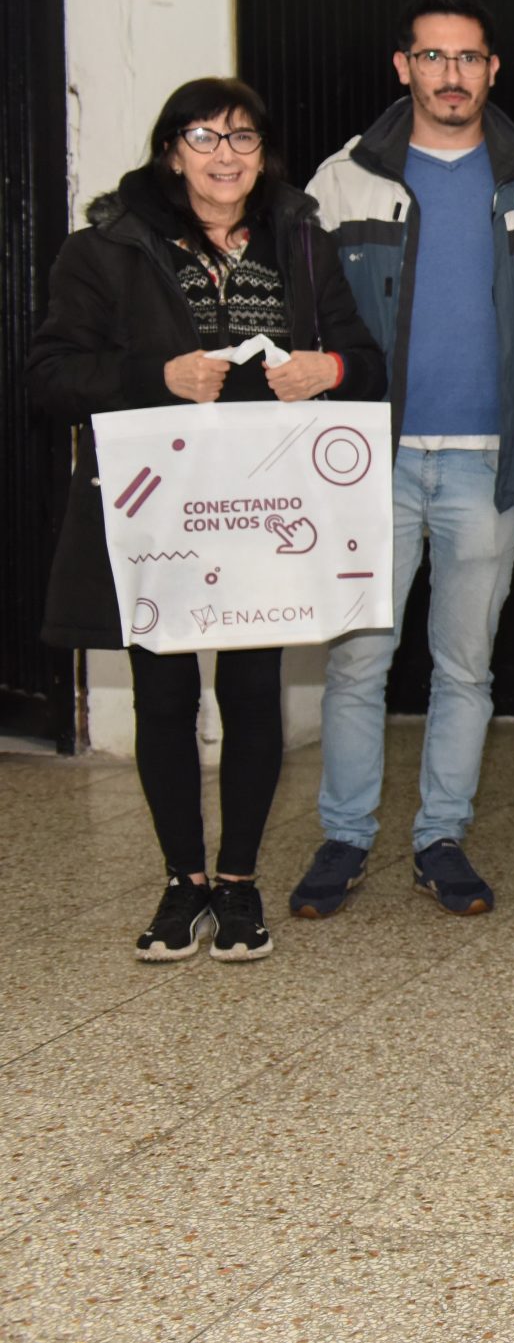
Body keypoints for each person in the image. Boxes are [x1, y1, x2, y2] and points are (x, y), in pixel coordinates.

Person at [30, 79, 386, 962]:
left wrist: (328, 367)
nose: (225, 155)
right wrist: (159, 374)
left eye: (244, 138)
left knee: (254, 691)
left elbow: (369, 362)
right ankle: (180, 880)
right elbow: (51, 377)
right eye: (204, 136)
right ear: (170, 149)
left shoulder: (300, 240)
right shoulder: (104, 247)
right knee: (164, 692)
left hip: (267, 512)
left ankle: (237, 882)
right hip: (160, 513)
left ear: (264, 153)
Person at [291, 0, 514, 920]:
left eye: (468, 59)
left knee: (465, 666)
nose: (450, 75)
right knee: (358, 661)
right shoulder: (343, 180)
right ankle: (344, 836)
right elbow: (308, 321)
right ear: (403, 66)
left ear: (492, 70)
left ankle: (440, 837)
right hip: (368, 462)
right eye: (433, 57)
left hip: (487, 465)